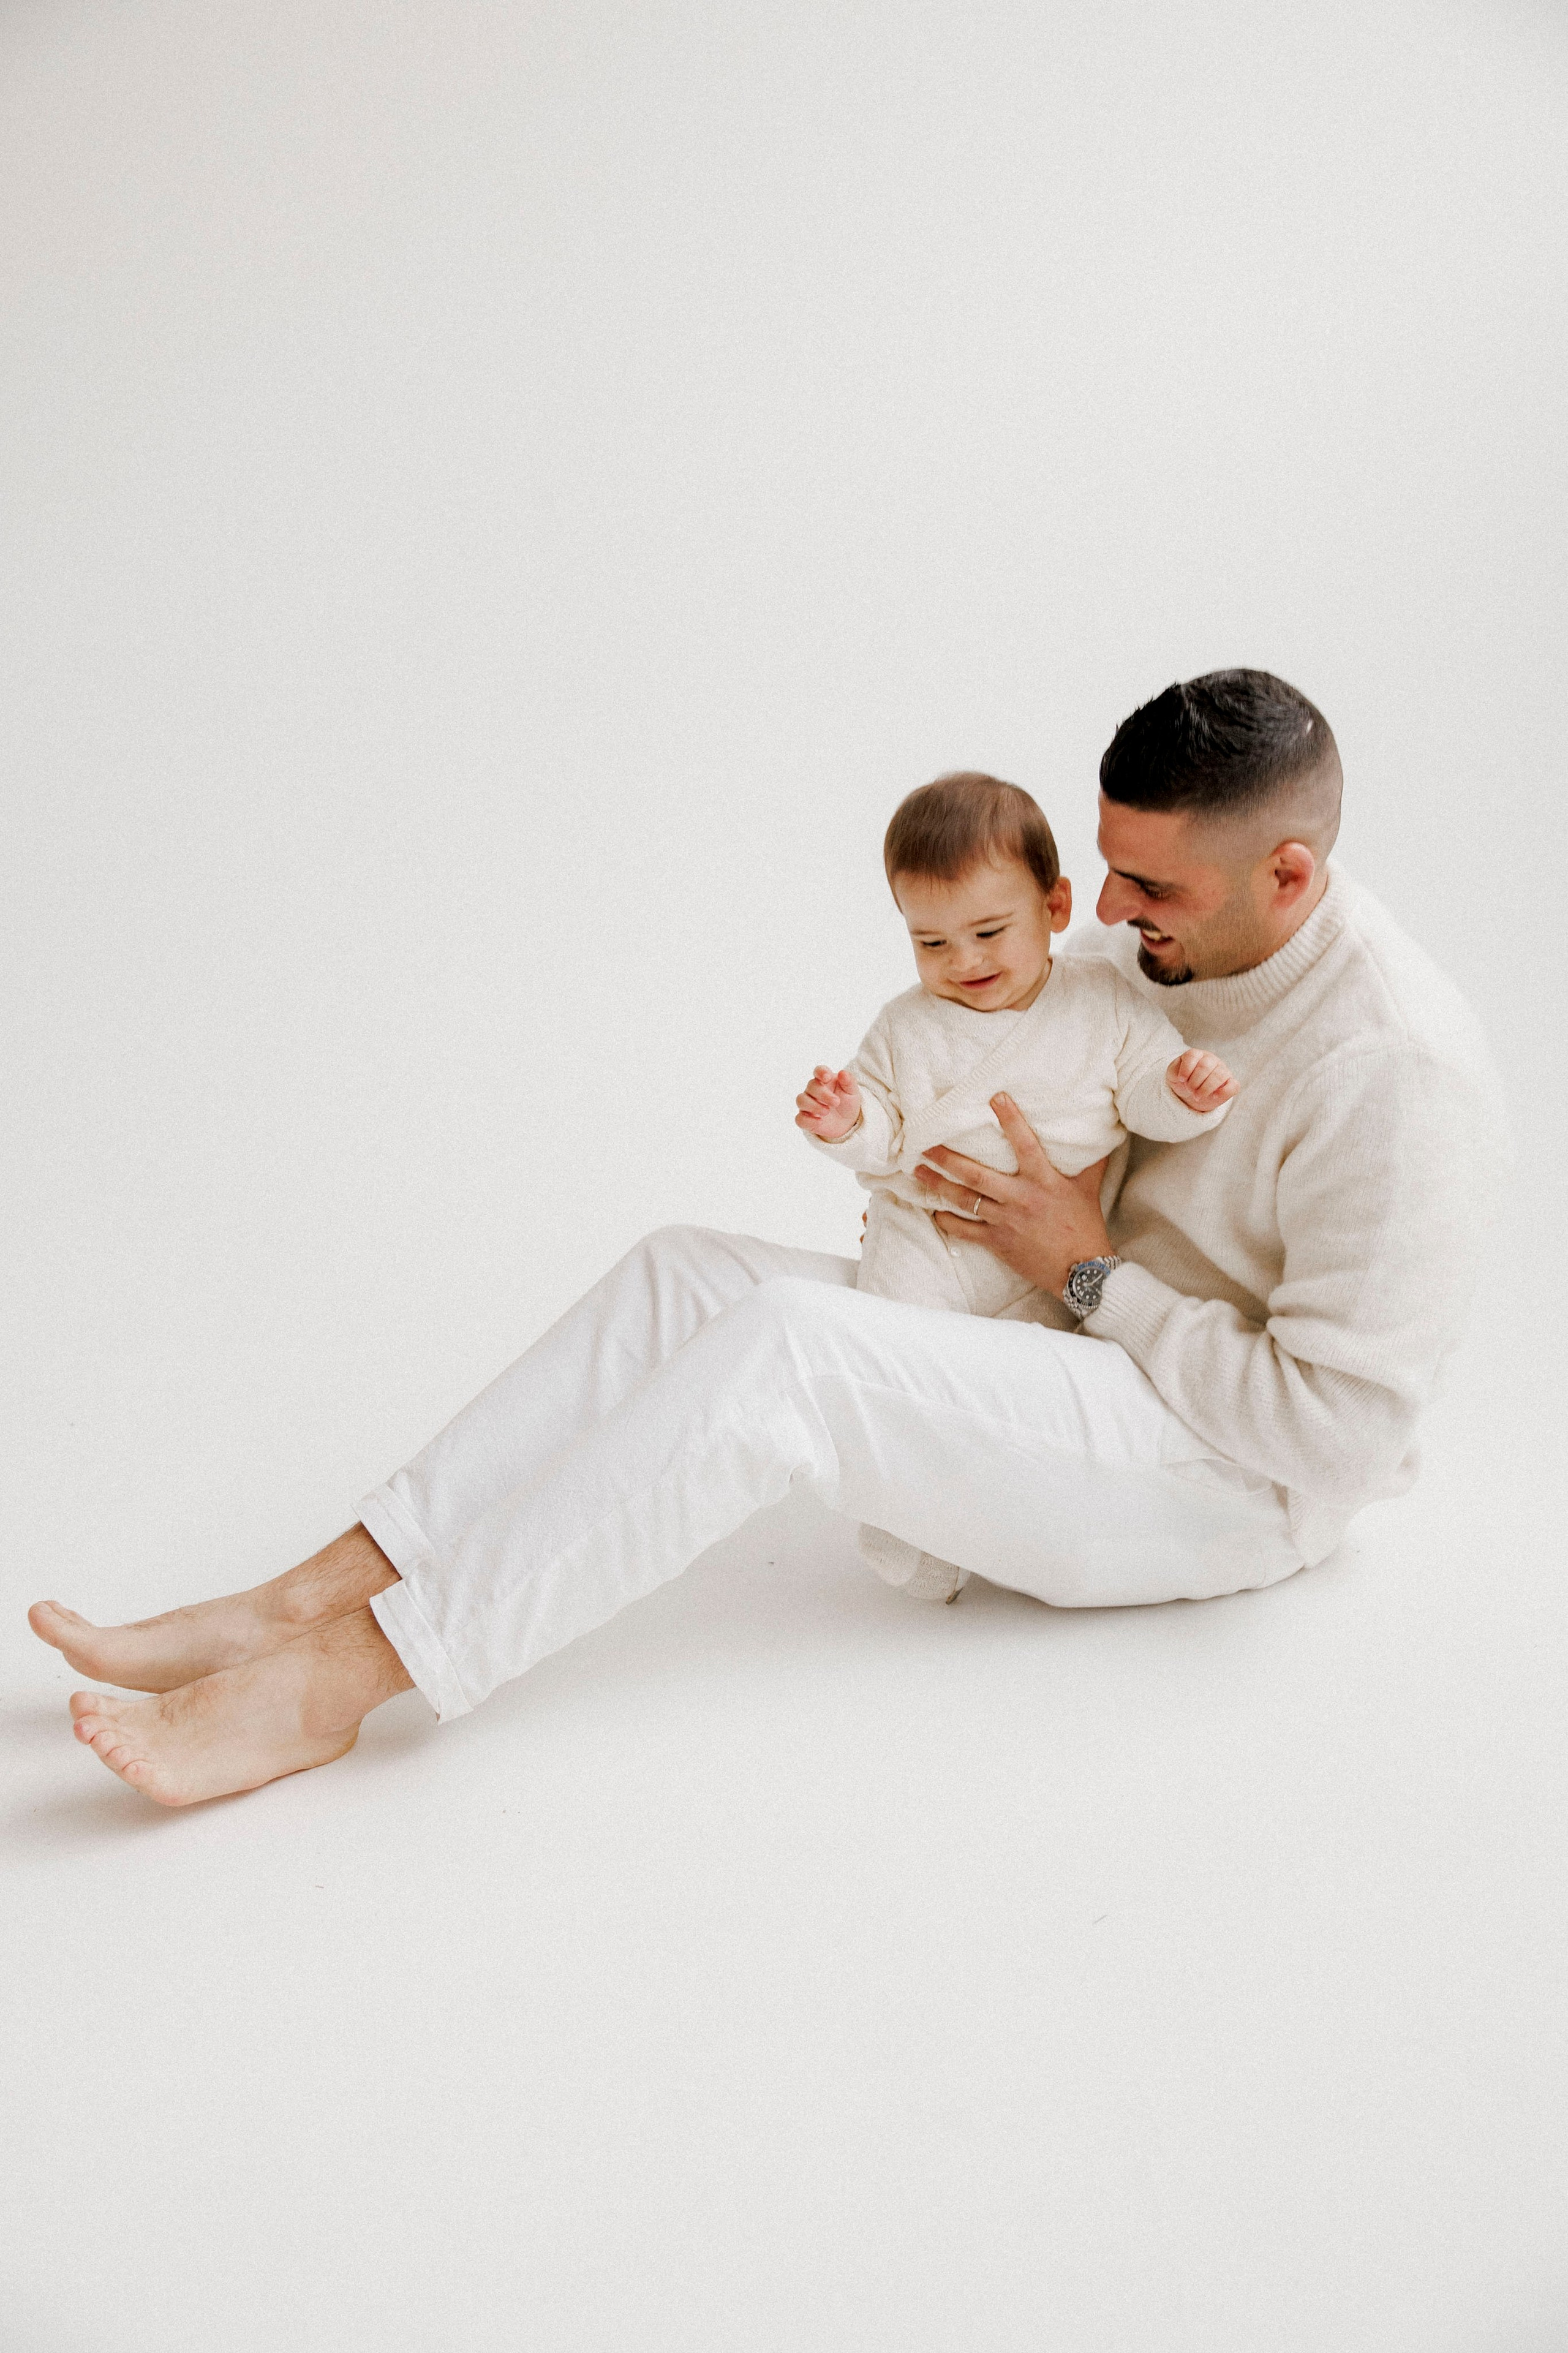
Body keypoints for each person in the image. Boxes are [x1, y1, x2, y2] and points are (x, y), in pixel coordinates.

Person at [31, 668, 1502, 1808]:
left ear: (1289, 876)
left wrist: (1083, 1266)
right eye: (1106, 872)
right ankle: (300, 1599)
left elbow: (1339, 1441)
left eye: (1150, 888)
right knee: (691, 1273)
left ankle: (341, 1682)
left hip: (1216, 1473)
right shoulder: (1145, 956)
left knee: (793, 1356)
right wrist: (904, 1154)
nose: (1106, 911)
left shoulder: (1394, 1073)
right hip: (1051, 1338)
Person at [796, 768, 1237, 1600]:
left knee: (1004, 1405)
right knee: (898, 1377)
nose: (962, 961)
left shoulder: (1102, 1002)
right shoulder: (905, 1026)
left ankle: (986, 1525)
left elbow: (1141, 1091)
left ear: (1057, 908)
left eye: (989, 932)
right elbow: (886, 1134)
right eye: (930, 943)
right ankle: (912, 1541)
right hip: (926, 1235)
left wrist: (1183, 1093)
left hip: (1042, 1255)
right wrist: (846, 1121)